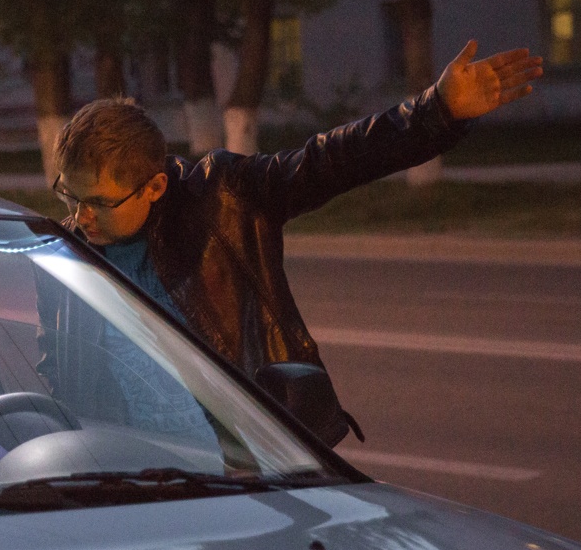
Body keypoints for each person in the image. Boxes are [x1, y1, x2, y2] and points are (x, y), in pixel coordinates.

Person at [47, 41, 542, 446]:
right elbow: (63, 378)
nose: (78, 215)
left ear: (154, 187)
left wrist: (437, 111)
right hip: (133, 484)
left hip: (250, 471)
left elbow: (336, 159)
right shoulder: (68, 252)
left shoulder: (223, 198)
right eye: (68, 194)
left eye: (97, 201)